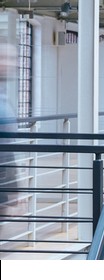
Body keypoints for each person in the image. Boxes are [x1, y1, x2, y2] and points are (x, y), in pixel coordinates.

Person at [0, 42, 19, 222]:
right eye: (3, 58)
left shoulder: (4, 94)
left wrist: (13, 186)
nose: (9, 63)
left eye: (12, 58)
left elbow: (7, 146)